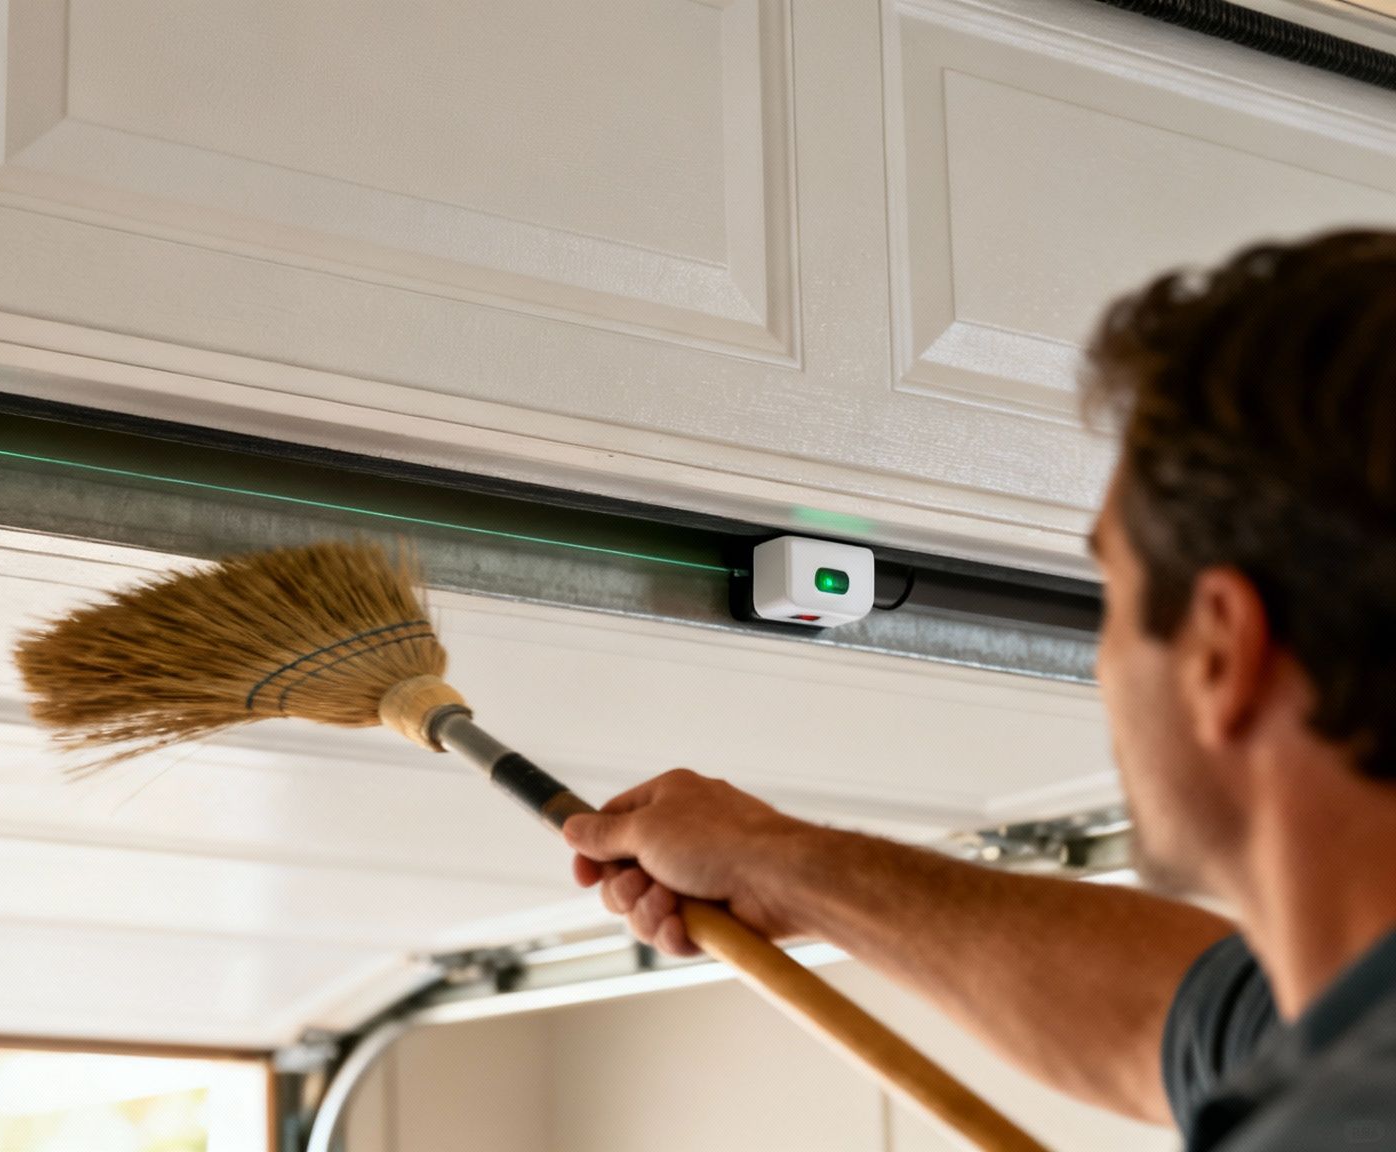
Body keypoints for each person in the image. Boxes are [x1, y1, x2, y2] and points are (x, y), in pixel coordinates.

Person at [561, 229, 1396, 1151]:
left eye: (1110, 594)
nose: (1099, 661)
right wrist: (779, 862)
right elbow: (1154, 1015)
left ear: (1219, 654)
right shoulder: (1343, 1030)